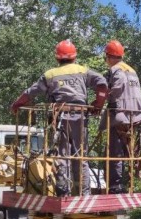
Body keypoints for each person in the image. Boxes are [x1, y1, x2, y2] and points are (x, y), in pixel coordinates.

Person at [10, 40, 107, 196]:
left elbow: (30, 92)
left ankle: (63, 192)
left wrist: (16, 104)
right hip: (80, 117)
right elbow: (102, 83)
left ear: (57, 58)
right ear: (74, 57)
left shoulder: (50, 74)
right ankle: (84, 193)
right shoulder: (83, 71)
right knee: (81, 156)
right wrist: (99, 104)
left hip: (60, 118)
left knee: (61, 155)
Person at [103, 40, 141, 194]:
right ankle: (135, 183)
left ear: (108, 56)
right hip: (136, 116)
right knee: (132, 151)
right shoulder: (131, 70)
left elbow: (118, 86)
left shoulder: (116, 69)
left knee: (115, 152)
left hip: (120, 116)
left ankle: (115, 187)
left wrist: (102, 98)